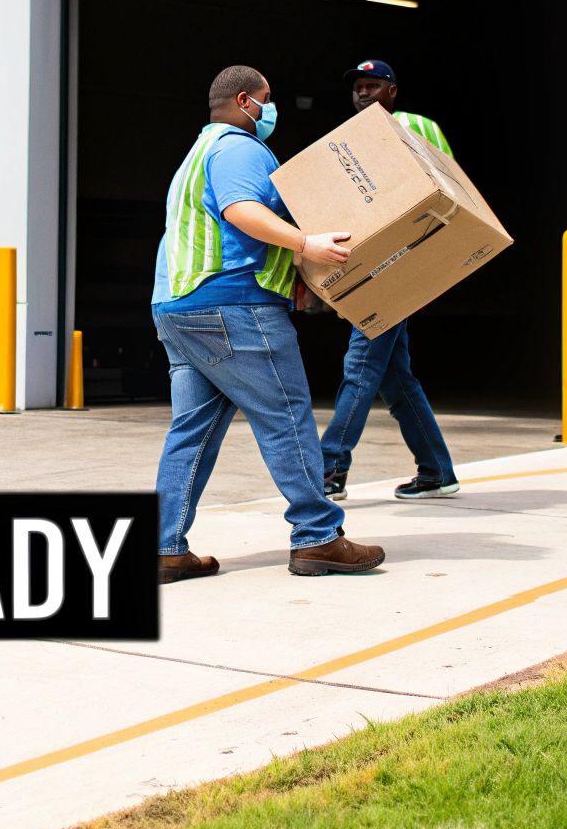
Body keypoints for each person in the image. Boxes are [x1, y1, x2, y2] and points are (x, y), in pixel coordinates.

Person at [151, 64, 388, 584]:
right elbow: (240, 210)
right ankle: (319, 537)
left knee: (192, 431)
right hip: (231, 306)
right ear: (244, 102)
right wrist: (308, 244)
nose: (270, 108)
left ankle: (165, 546)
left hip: (180, 307)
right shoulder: (239, 148)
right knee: (286, 416)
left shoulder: (198, 152)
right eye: (267, 99)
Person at [321, 59, 459, 501]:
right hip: (375, 265)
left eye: (373, 85)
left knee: (360, 366)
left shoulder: (413, 124)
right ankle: (437, 471)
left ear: (392, 91)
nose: (363, 93)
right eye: (358, 87)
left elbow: (448, 185)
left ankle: (329, 469)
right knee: (395, 378)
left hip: (402, 264)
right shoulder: (350, 142)